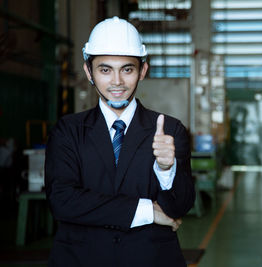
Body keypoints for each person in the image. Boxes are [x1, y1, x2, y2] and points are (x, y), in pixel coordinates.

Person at [45, 16, 195, 267]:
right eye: (105, 69)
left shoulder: (169, 130)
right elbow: (62, 201)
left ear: (142, 71)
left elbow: (178, 207)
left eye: (127, 69)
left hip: (151, 260)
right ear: (88, 71)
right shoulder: (68, 131)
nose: (117, 82)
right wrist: (147, 211)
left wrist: (167, 170)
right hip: (82, 259)